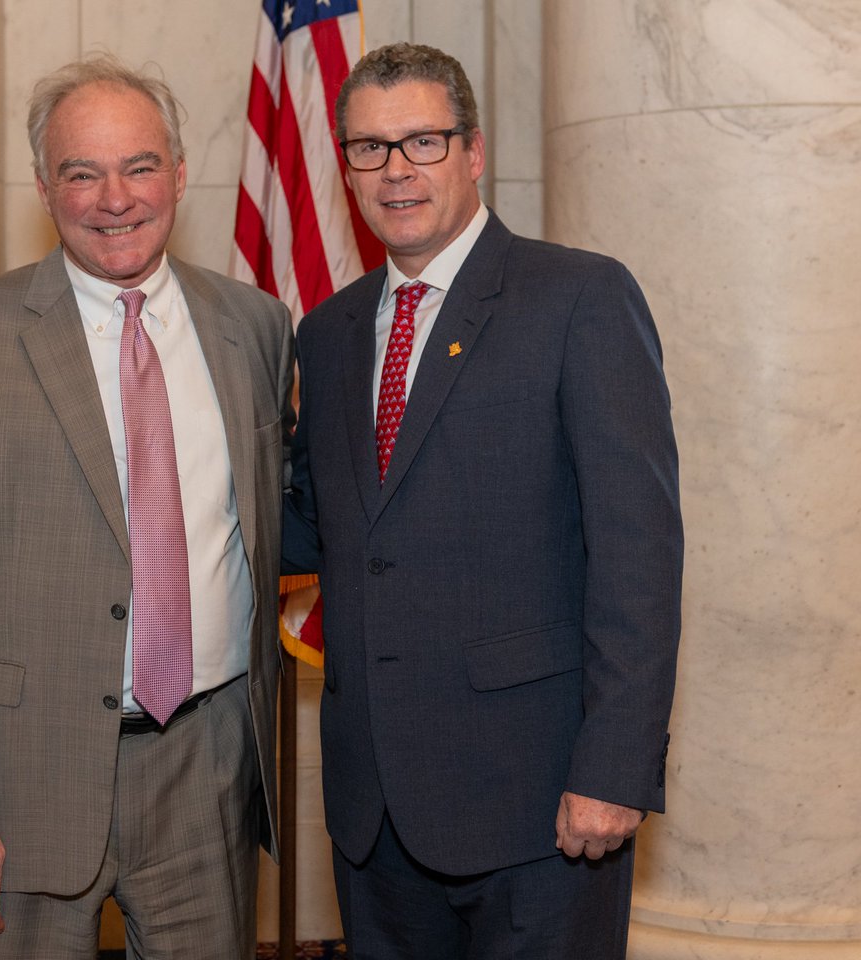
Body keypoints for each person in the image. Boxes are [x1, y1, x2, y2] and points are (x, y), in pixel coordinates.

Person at [0, 55, 293, 960]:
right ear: (45, 186)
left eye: (140, 166)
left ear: (180, 175)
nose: (115, 198)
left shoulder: (255, 326)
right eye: (82, 172)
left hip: (208, 764)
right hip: (24, 781)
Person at [283, 42, 683, 958]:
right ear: (344, 166)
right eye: (369, 148)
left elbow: (639, 555)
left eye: (422, 141)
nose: (396, 171)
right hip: (372, 813)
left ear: (473, 150)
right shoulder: (330, 333)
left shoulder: (579, 297)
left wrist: (615, 768)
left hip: (539, 806)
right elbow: (322, 525)